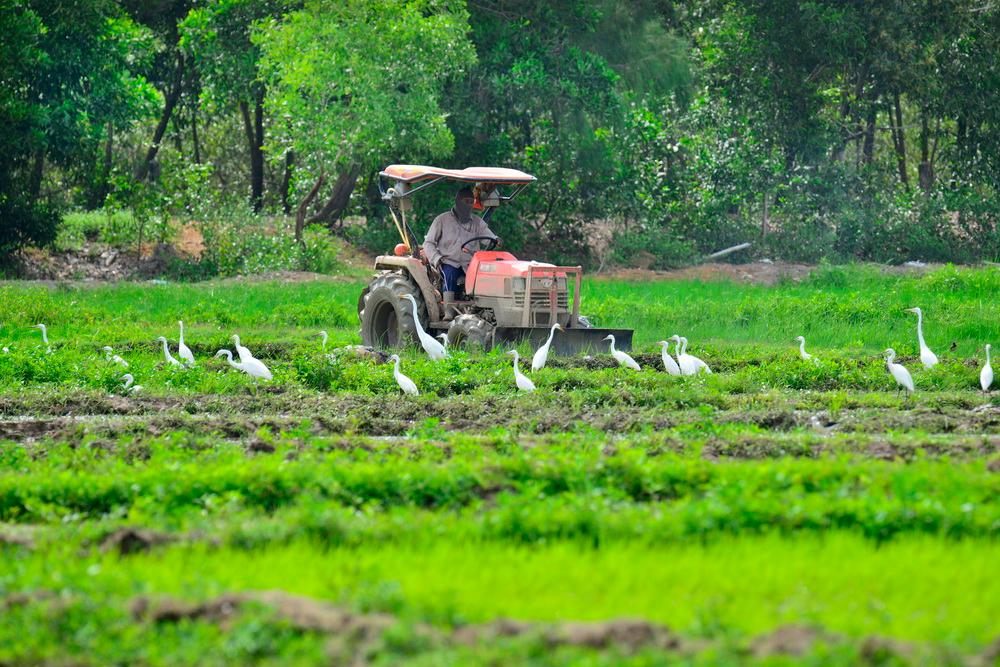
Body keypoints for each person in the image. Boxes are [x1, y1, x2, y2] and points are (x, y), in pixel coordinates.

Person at [422, 186, 499, 319]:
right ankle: (449, 311)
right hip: (449, 261)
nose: (469, 205)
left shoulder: (477, 222)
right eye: (466, 201)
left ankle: (484, 310)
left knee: (489, 276)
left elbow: (489, 237)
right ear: (457, 201)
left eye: (471, 201)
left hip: (471, 264)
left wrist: (496, 239)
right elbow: (428, 243)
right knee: (450, 274)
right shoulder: (442, 220)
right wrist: (437, 258)